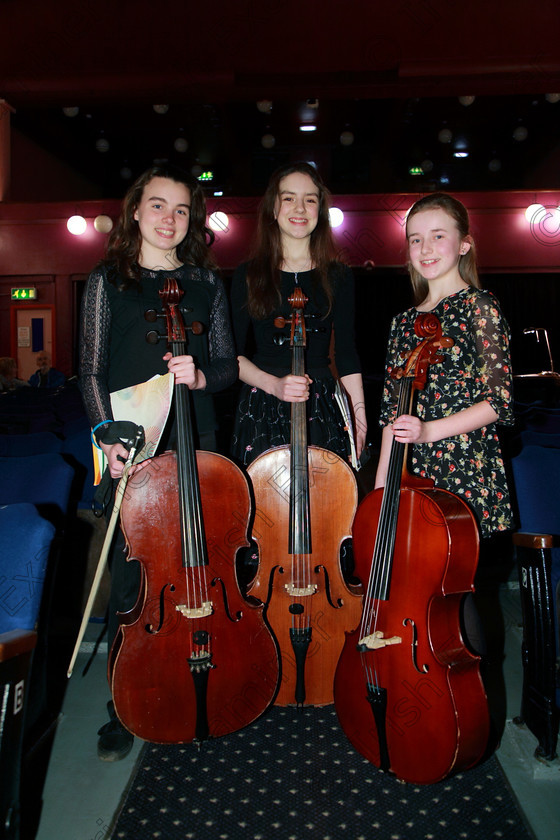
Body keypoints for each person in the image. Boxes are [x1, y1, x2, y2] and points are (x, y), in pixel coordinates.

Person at [80, 164, 237, 760]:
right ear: (136, 212)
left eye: (181, 210)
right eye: (158, 206)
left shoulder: (203, 282)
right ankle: (123, 705)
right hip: (135, 445)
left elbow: (224, 364)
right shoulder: (107, 280)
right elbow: (91, 370)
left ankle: (206, 677)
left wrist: (200, 374)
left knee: (204, 566)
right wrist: (106, 437)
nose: (169, 219)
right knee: (131, 581)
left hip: (195, 441)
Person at [375, 193, 513, 659]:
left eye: (439, 235)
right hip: (412, 479)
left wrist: (430, 430)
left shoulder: (480, 307)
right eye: (416, 238)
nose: (426, 247)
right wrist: (378, 501)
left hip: (465, 475)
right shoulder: (401, 324)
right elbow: (392, 423)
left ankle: (467, 718)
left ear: (464, 245)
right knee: (413, 595)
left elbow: (498, 401)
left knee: (457, 600)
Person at [230, 162, 367, 467]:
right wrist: (273, 385)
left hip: (321, 404)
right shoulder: (248, 275)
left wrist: (359, 417)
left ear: (320, 210)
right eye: (289, 198)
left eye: (310, 199)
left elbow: (346, 354)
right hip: (262, 400)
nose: (300, 208)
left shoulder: (339, 275)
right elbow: (231, 356)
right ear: (273, 208)